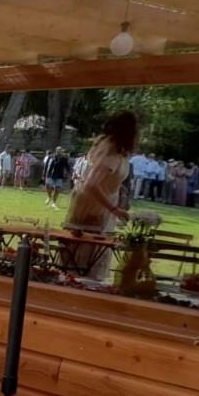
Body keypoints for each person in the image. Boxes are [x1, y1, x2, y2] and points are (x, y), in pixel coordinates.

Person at [65, 112, 136, 281]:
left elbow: (103, 179)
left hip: (98, 207)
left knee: (85, 262)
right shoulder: (111, 150)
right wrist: (114, 209)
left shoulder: (113, 148)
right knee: (85, 262)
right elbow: (91, 184)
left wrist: (118, 188)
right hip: (93, 211)